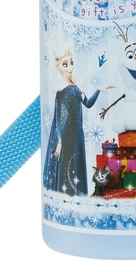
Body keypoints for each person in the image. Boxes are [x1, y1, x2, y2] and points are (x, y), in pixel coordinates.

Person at [43, 45, 114, 195]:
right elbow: (58, 117)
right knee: (66, 166)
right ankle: (66, 197)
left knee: (77, 164)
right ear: (59, 67)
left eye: (71, 63)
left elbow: (88, 104)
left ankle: (78, 196)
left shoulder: (76, 87)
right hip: (66, 135)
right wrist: (59, 142)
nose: (70, 67)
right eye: (65, 64)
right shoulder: (61, 90)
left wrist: (98, 90)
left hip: (77, 134)